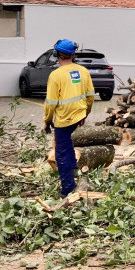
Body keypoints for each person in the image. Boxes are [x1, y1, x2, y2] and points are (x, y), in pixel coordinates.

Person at [43, 39, 96, 196]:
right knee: (68, 144)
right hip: (78, 115)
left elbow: (51, 103)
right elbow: (91, 96)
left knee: (62, 153)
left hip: (63, 120)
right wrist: (85, 114)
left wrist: (47, 121)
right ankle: (74, 172)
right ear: (73, 55)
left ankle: (67, 189)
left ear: (56, 54)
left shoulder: (55, 75)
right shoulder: (83, 71)